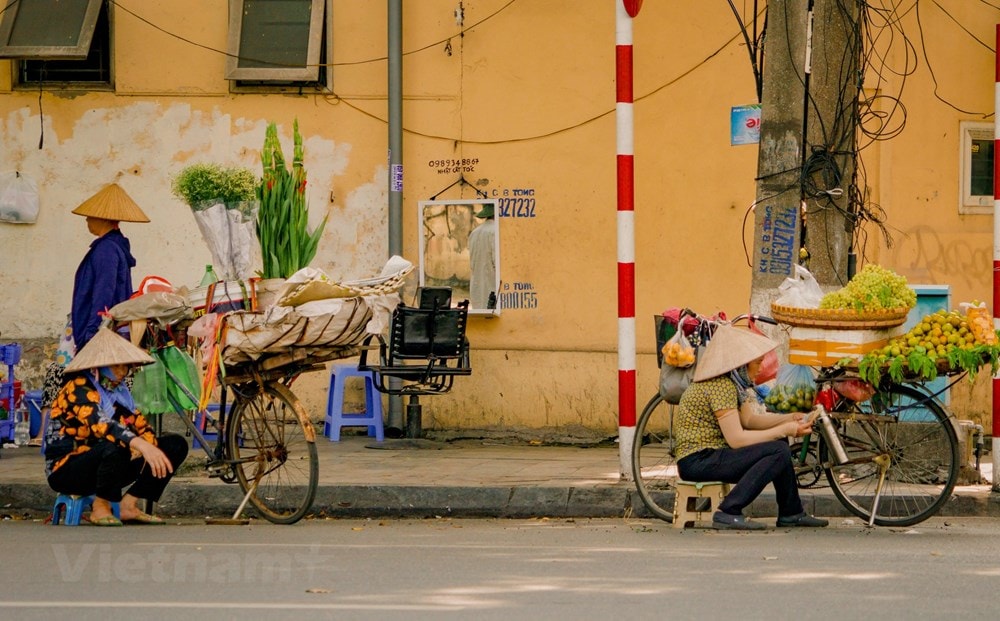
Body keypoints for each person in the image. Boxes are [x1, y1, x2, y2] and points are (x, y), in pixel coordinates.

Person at [673, 323, 828, 530]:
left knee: (779, 444)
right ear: (741, 365)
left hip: (711, 455)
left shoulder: (733, 384)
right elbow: (736, 439)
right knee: (779, 449)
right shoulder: (720, 385)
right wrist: (785, 429)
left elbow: (750, 421)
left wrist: (789, 418)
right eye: (757, 362)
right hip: (697, 460)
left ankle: (791, 512)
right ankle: (728, 511)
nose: (761, 368)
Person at [34, 183, 149, 447]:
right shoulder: (113, 246)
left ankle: (84, 440)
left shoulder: (107, 249)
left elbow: (103, 294)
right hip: (98, 327)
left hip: (95, 329)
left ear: (104, 218)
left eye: (91, 215)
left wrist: (91, 334)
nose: (87, 220)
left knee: (85, 385)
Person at [44, 327, 188, 526]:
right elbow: (102, 426)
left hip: (110, 464)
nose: (122, 372)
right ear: (99, 366)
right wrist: (139, 444)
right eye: (116, 367)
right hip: (68, 468)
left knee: (174, 445)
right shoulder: (78, 387)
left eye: (125, 367)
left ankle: (129, 504)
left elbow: (139, 425)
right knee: (116, 444)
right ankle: (100, 506)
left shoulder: (119, 392)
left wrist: (147, 444)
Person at [468, 203, 497, 309]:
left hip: (476, 288)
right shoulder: (495, 231)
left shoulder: (474, 232)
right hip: (492, 287)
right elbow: (496, 262)